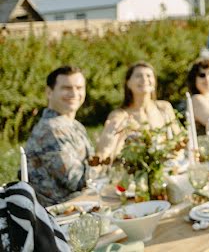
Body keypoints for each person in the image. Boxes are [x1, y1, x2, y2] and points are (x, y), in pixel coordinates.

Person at [24, 66, 94, 207]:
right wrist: (106, 147)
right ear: (49, 92)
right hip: (58, 218)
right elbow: (76, 181)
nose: (74, 93)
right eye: (66, 88)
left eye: (79, 88)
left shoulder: (74, 125)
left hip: (81, 206)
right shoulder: (51, 129)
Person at [95, 62, 182, 163]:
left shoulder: (164, 108)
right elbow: (105, 149)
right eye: (138, 76)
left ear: (154, 82)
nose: (144, 79)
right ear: (128, 83)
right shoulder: (120, 114)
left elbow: (179, 139)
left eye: (148, 75)